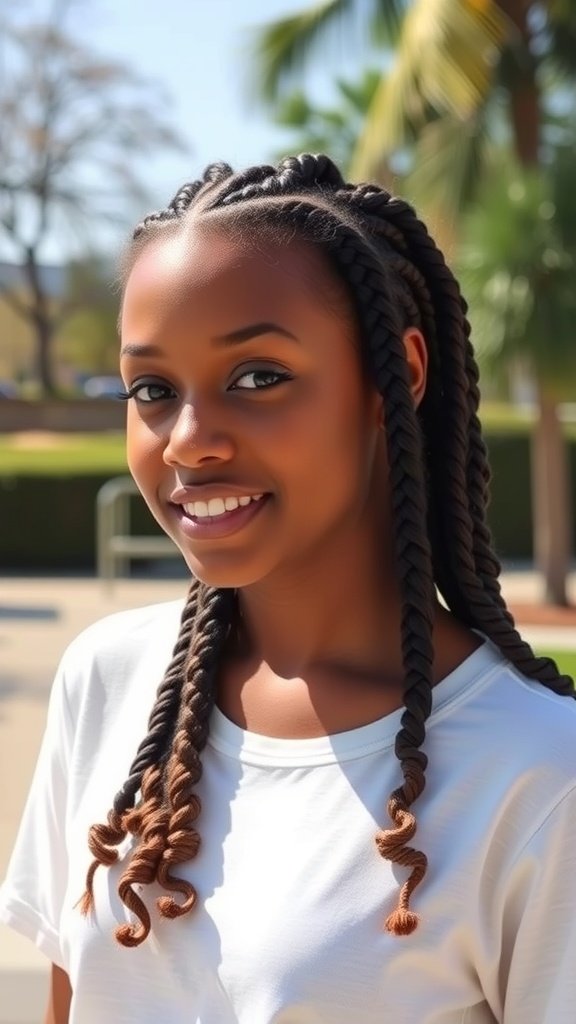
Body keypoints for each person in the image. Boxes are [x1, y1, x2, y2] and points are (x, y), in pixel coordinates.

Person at [1, 153, 575, 1024]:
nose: (189, 441)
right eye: (151, 388)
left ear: (400, 375)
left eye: (258, 377)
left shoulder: (538, 777)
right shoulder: (108, 680)